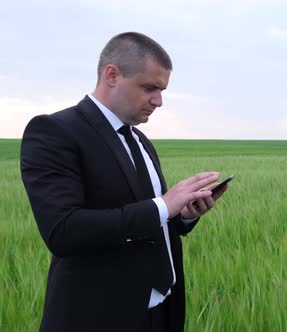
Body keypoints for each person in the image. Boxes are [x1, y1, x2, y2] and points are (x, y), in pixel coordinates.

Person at [20, 32, 227, 332]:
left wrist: (182, 215)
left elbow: (151, 219)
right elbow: (63, 231)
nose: (159, 101)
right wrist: (164, 206)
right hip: (100, 317)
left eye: (162, 90)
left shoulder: (140, 140)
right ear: (112, 75)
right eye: (149, 88)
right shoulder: (54, 132)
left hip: (163, 311)